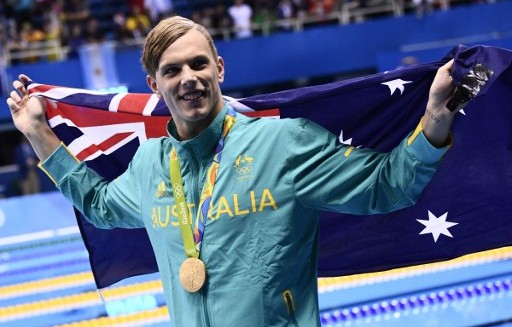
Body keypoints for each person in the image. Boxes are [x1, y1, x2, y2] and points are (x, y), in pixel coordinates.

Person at [7, 16, 459, 327]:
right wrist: (38, 135)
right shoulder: (149, 163)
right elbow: (102, 207)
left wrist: (434, 121)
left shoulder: (282, 143)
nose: (188, 77)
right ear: (155, 85)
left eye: (198, 63)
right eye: (172, 70)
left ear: (219, 68)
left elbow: (388, 187)